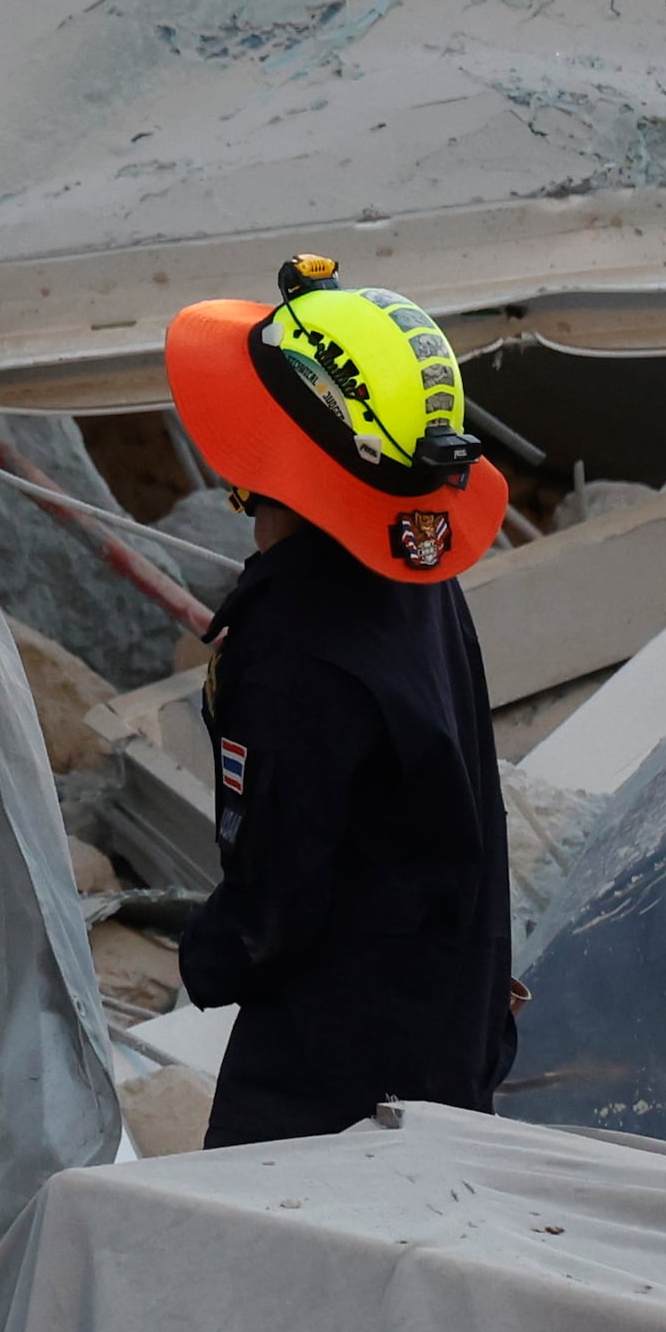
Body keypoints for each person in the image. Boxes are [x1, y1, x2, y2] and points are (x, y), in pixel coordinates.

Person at [158, 256, 519, 1148]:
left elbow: (276, 905)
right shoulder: (411, 584)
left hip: (335, 1092)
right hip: (446, 1032)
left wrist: (202, 954)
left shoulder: (296, 655)